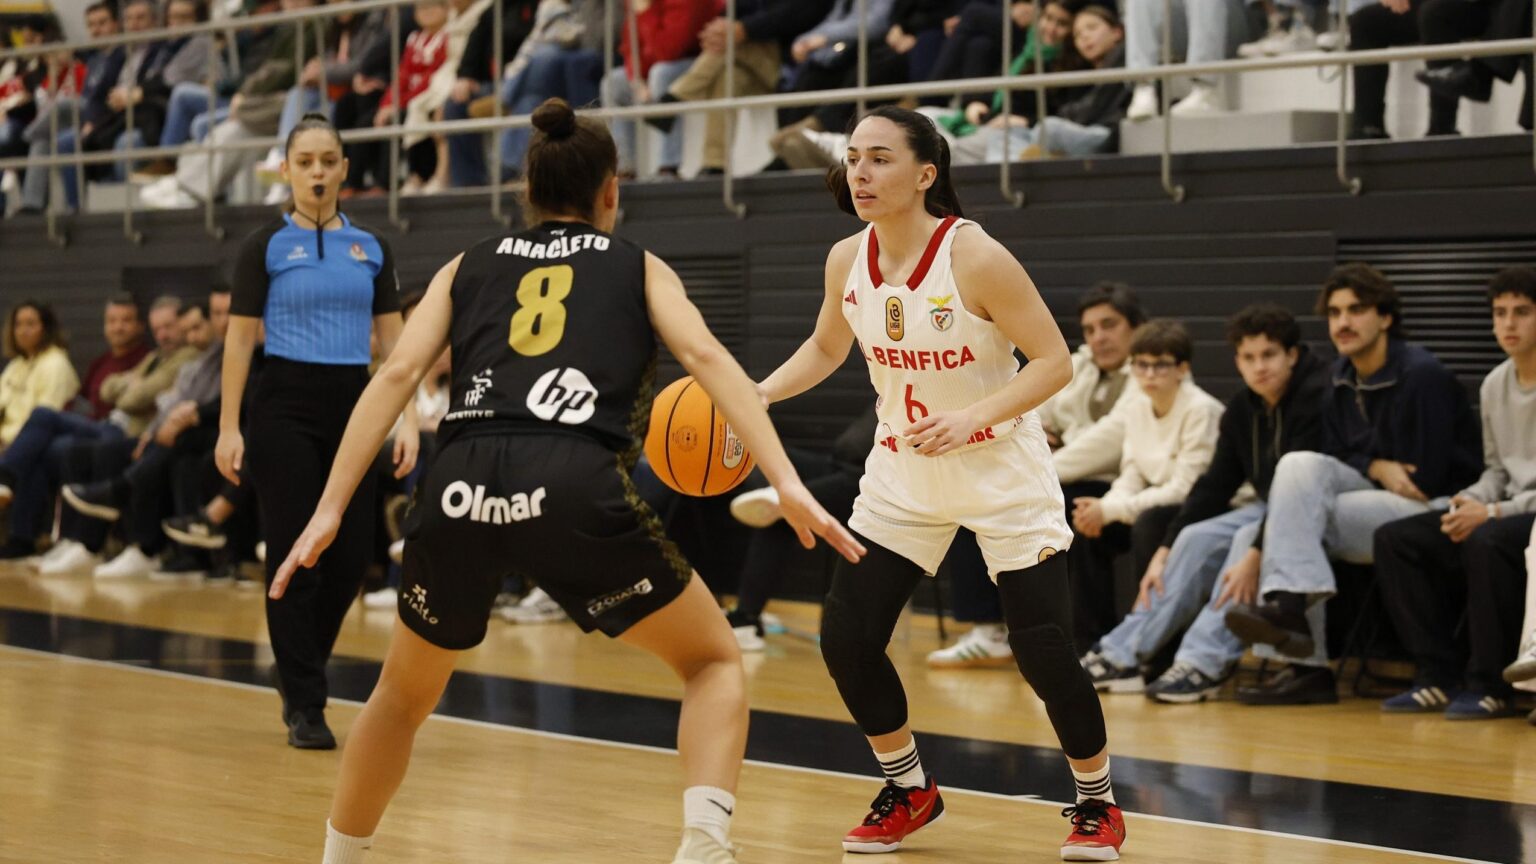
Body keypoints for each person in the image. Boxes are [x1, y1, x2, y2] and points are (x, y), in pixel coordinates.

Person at [273, 97, 861, 864]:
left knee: (402, 696)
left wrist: (328, 508)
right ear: (611, 191)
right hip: (573, 478)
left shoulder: (467, 263)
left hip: (460, 480)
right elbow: (712, 362)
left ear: (527, 187)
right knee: (713, 661)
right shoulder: (639, 265)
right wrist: (784, 480)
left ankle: (339, 859)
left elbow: (394, 379)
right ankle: (704, 847)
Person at [757, 105, 1126, 860]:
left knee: (1043, 650)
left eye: (881, 158)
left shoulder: (976, 256)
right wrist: (753, 396)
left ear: (926, 174)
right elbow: (828, 346)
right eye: (854, 156)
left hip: (1000, 469)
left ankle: (1098, 802)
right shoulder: (845, 259)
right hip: (903, 473)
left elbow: (1054, 362)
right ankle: (910, 789)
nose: (860, 170)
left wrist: (973, 419)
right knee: (848, 638)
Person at [217, 112, 420, 750]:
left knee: (351, 554)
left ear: (343, 169)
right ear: (286, 169)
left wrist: (407, 416)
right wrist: (229, 426)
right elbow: (239, 340)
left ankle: (296, 664)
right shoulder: (264, 246)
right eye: (304, 161)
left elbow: (396, 344)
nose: (317, 172)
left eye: (327, 160)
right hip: (283, 403)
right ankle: (306, 701)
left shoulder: (373, 247)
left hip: (353, 403)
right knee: (293, 552)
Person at [1223, 263, 1483, 704]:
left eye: (1356, 309)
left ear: (1385, 318)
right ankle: (1302, 648)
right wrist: (1377, 465)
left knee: (1284, 525)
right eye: (1335, 312)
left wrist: (1374, 467)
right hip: (1375, 495)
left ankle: (1295, 633)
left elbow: (1427, 478)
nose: (1343, 322)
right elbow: (1339, 454)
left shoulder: (1422, 375)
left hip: (1435, 507)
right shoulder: (1338, 379)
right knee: (1298, 467)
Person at [1078, 304, 1327, 699]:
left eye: (1269, 355)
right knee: (1191, 536)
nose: (1259, 366)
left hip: (1310, 507)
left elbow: (1293, 492)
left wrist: (1257, 552)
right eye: (1249, 357)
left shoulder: (1317, 397)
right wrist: (1166, 548)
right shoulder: (1243, 410)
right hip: (1263, 507)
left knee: (1246, 539)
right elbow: (1212, 487)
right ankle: (1120, 651)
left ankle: (1202, 659)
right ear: (1237, 362)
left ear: (1292, 356)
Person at [1372, 268, 1536, 719]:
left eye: (1521, 312)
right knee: (1396, 539)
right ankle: (1437, 674)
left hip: (1528, 517)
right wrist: (1468, 499)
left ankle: (1489, 685)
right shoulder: (1494, 384)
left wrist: (1493, 512)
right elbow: (1497, 468)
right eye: (1499, 313)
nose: (1509, 324)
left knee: (1487, 541)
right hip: (1503, 507)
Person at [1066, 318, 1223, 648]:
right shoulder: (1137, 408)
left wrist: (1110, 510)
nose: (1149, 375)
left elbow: (1185, 489)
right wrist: (1102, 509)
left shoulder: (1201, 410)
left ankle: (1151, 647)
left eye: (1160, 366)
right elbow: (1132, 473)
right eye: (1141, 366)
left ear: (1182, 368)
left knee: (1150, 524)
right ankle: (1093, 644)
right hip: (1158, 503)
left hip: (1205, 510)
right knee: (1084, 529)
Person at [0, 300, 78, 450]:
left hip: (30, 446)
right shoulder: (16, 365)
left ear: (45, 328)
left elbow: (44, 420)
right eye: (18, 325)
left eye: (30, 324)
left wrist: (6, 439)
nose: (23, 331)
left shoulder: (56, 364)